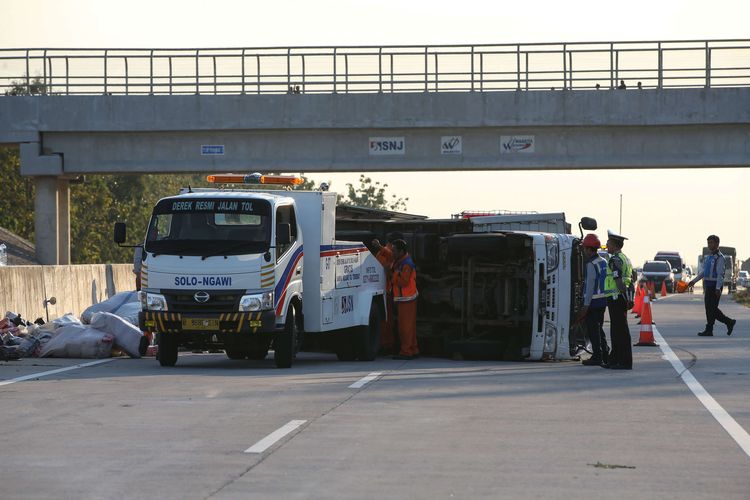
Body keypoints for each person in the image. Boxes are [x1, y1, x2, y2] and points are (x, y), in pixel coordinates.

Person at [688, 235, 737, 336]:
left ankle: (713, 328)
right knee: (710, 308)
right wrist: (694, 281)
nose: (710, 245)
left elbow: (720, 274)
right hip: (708, 286)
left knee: (712, 309)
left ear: (717, 244)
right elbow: (703, 272)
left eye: (712, 243)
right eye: (709, 243)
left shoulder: (720, 258)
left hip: (715, 286)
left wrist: (718, 288)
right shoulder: (709, 257)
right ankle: (728, 322)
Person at [603, 230, 633, 370]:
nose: (606, 245)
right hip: (619, 297)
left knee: (619, 331)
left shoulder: (615, 259)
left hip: (617, 297)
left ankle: (622, 361)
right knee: (619, 330)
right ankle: (615, 359)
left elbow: (619, 280)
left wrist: (624, 296)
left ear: (614, 245)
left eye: (608, 243)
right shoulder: (625, 258)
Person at [578, 234, 609, 366]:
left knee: (593, 330)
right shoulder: (603, 261)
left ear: (590, 249)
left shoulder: (591, 264)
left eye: (585, 248)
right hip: (603, 301)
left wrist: (585, 306)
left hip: (593, 302)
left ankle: (597, 356)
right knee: (599, 328)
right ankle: (605, 352)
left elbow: (590, 286)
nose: (584, 251)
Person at [370, 232, 403, 352]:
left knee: (387, 322)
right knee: (385, 322)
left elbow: (390, 256)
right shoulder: (384, 252)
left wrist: (379, 247)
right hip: (382, 289)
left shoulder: (389, 252)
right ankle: (385, 344)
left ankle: (387, 345)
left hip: (386, 290)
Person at [390, 239, 419, 360]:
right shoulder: (402, 261)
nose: (392, 253)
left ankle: (406, 352)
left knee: (405, 327)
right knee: (409, 326)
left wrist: (393, 276)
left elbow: (404, 282)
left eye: (394, 251)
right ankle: (413, 349)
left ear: (401, 251)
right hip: (407, 298)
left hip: (406, 299)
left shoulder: (405, 264)